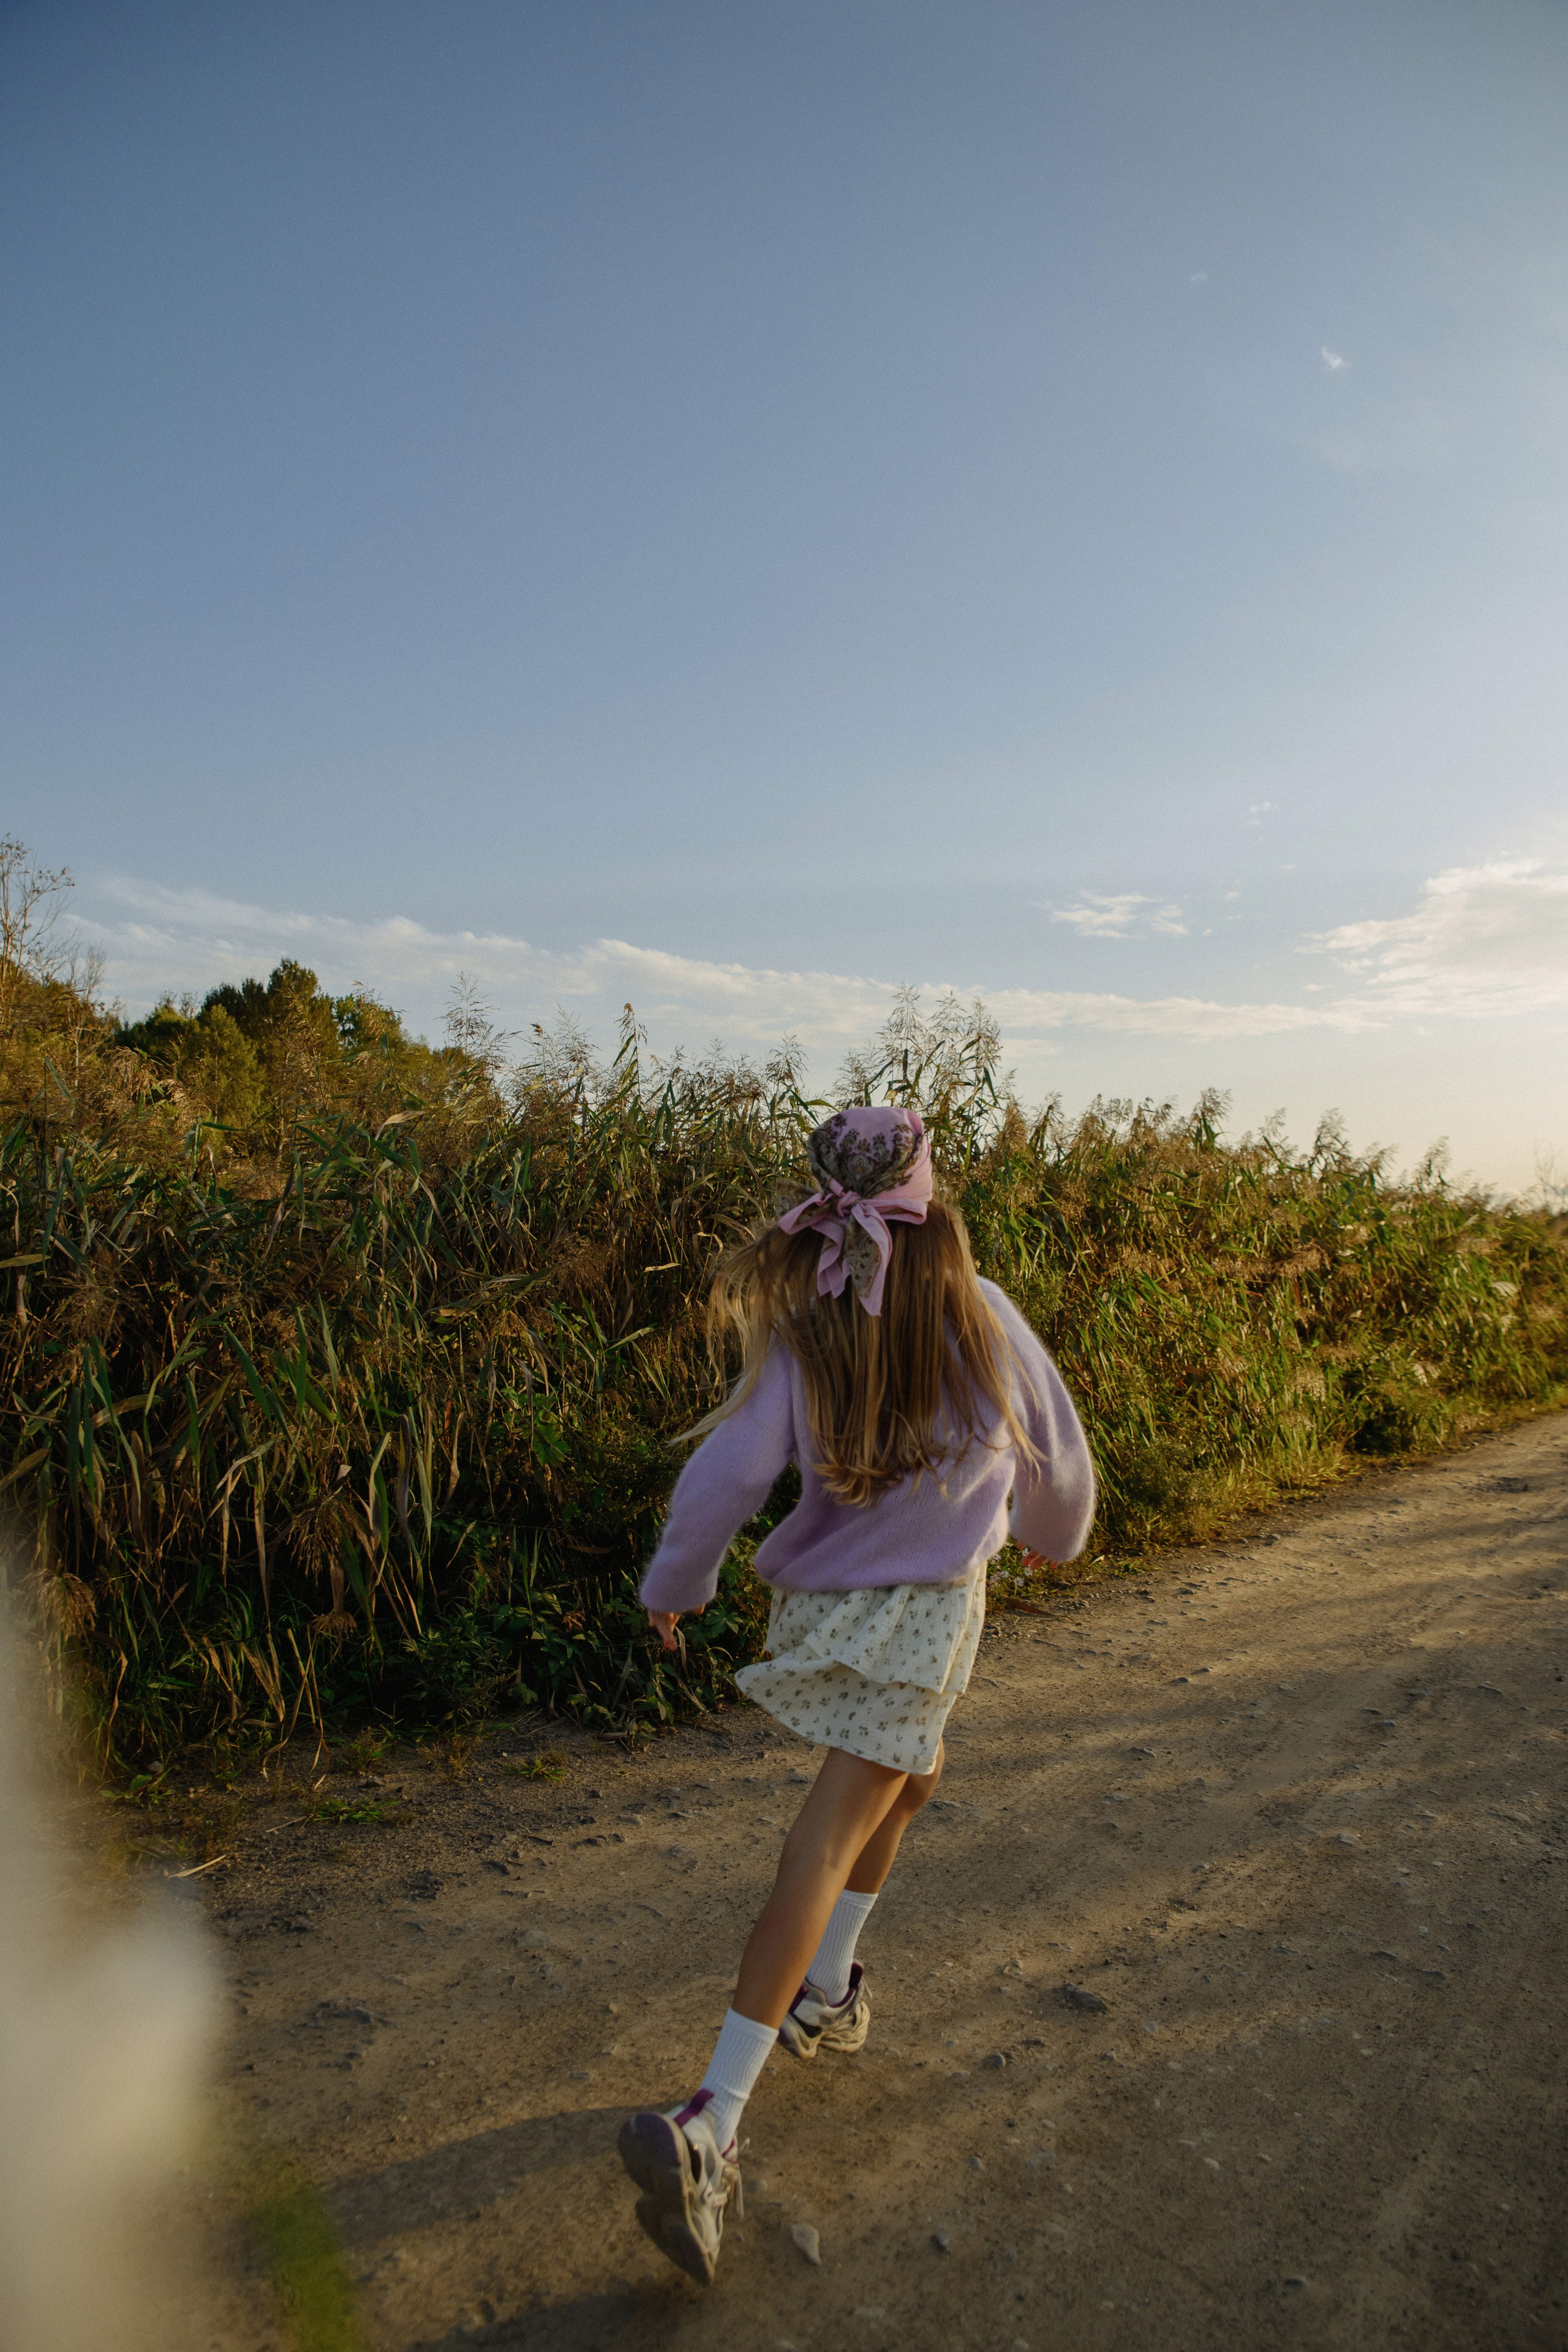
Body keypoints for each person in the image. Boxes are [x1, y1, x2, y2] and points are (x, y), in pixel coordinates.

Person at [617, 1106, 1095, 2285]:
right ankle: (712, 2122)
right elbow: (1059, 1458)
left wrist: (678, 1579)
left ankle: (828, 1988)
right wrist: (1050, 1537)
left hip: (829, 1601)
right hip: (926, 1609)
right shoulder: (982, 1316)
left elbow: (731, 1467)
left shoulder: (806, 1324)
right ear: (930, 1200)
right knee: (829, 1833)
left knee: (914, 1777)